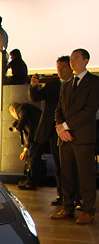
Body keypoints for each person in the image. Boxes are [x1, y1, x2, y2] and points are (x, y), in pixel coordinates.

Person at [51, 49, 99, 224]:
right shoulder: (67, 84)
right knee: (67, 175)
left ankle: (88, 211)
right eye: (71, 59)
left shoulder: (94, 82)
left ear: (86, 60)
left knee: (86, 175)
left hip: (83, 137)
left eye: (76, 58)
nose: (72, 62)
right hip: (65, 138)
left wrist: (66, 126)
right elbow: (59, 109)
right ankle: (68, 207)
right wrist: (60, 128)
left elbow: (89, 110)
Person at [28, 56, 74, 205]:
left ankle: (74, 196)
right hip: (52, 129)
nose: (60, 71)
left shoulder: (77, 84)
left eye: (63, 67)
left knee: (71, 164)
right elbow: (35, 97)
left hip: (71, 129)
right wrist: (34, 85)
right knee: (57, 163)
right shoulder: (53, 85)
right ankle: (62, 195)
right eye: (58, 68)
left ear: (71, 67)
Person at [9, 102, 43, 190]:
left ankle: (31, 183)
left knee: (33, 158)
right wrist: (25, 149)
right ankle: (30, 181)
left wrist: (17, 128)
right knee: (33, 157)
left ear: (13, 111)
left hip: (37, 135)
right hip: (37, 134)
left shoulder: (20, 108)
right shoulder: (27, 110)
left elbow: (23, 118)